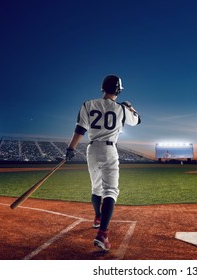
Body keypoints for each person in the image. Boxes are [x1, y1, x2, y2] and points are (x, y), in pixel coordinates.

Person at [66, 74, 141, 251]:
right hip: (109, 149)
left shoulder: (88, 104)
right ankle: (102, 234)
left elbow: (80, 129)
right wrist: (131, 108)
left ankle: (98, 217)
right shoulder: (122, 109)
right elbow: (138, 120)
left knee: (96, 188)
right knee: (111, 191)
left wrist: (70, 149)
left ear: (102, 88)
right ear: (119, 90)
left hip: (91, 150)